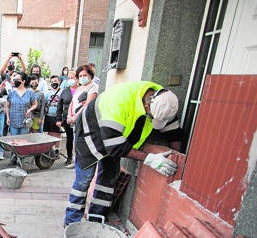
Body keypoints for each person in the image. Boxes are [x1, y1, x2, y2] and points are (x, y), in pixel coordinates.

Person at [64, 82, 182, 225]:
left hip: (117, 139)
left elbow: (174, 134)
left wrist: (178, 157)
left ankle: (95, 221)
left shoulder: (165, 103)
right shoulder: (118, 102)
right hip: (91, 135)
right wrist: (150, 159)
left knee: (108, 182)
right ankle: (71, 222)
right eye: (152, 117)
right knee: (84, 180)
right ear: (146, 107)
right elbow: (115, 147)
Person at [5, 71, 37, 165]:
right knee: (14, 141)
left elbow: (35, 104)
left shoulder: (29, 92)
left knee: (22, 141)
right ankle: (13, 159)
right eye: (15, 80)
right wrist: (7, 117)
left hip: (25, 121)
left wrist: (29, 110)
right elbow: (7, 106)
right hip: (14, 120)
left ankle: (21, 160)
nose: (16, 81)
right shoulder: (12, 93)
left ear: (23, 81)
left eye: (18, 79)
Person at [56, 73, 76, 168]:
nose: (70, 79)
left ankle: (78, 159)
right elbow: (59, 106)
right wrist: (59, 119)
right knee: (69, 139)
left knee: (78, 140)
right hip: (67, 119)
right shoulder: (65, 91)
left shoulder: (81, 90)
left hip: (78, 119)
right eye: (69, 78)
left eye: (73, 78)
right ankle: (69, 157)